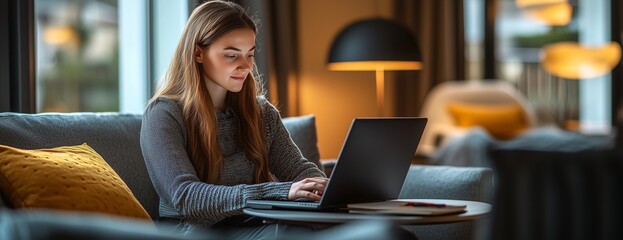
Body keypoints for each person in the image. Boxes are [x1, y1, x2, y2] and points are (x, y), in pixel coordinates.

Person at [139, 0, 329, 238]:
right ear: (198, 53)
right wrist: (278, 191)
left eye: (249, 54)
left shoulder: (261, 113)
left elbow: (298, 170)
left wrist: (326, 189)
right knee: (291, 232)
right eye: (232, 55)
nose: (246, 66)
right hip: (194, 232)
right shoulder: (163, 114)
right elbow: (186, 197)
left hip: (253, 224)